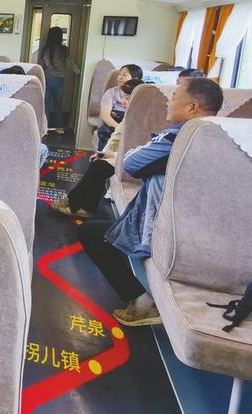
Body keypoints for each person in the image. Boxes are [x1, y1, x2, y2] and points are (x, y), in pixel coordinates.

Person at [75, 78, 223, 327]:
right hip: (203, 228)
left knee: (92, 233)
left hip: (168, 230)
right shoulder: (221, 136)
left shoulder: (178, 137)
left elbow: (131, 164)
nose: (168, 102)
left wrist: (119, 156)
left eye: (174, 97)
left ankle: (143, 302)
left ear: (192, 107)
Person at [51, 78, 144, 217]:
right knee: (97, 163)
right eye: (123, 97)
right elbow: (115, 138)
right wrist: (103, 153)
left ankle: (75, 203)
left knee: (99, 167)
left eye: (127, 98)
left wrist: (113, 155)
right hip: (121, 156)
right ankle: (83, 206)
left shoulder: (144, 121)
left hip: (134, 159)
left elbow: (140, 150)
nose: (123, 102)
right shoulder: (130, 115)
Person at [37, 27, 80, 132]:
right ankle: (59, 128)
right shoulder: (63, 50)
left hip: (47, 79)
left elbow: (42, 65)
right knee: (58, 105)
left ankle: (44, 128)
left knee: (46, 104)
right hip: (59, 80)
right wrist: (79, 73)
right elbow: (71, 63)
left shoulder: (46, 50)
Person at [97, 64, 143, 151]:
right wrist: (120, 129)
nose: (120, 77)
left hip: (133, 123)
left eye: (124, 75)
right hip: (115, 123)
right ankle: (102, 154)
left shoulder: (142, 93)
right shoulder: (111, 92)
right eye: (119, 74)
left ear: (135, 79)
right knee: (105, 130)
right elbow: (105, 115)